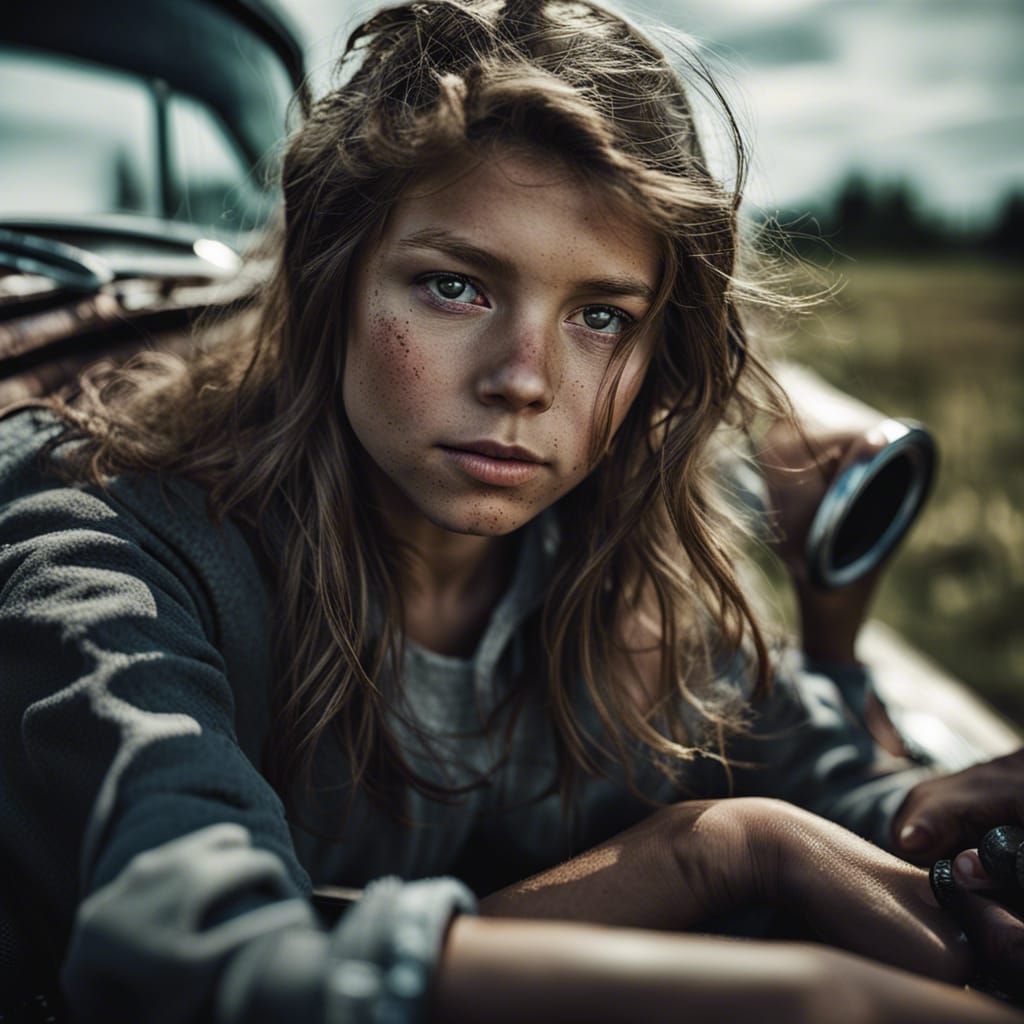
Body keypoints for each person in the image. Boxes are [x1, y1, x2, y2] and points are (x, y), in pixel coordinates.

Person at [0, 0, 1021, 1020]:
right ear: (331, 281)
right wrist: (714, 867)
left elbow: (805, 764)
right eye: (454, 286)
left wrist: (933, 824)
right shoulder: (100, 526)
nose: (524, 382)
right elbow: (190, 954)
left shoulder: (620, 560)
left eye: (600, 316)